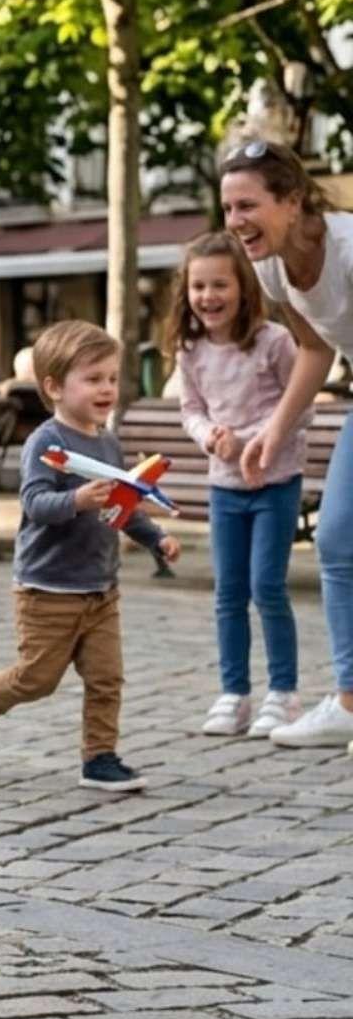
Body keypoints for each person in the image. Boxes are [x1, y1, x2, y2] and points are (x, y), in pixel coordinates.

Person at [0, 320, 180, 791]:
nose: (107, 388)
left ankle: (99, 757)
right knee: (37, 679)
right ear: (54, 387)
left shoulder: (108, 442)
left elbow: (123, 505)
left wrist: (156, 539)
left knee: (107, 678)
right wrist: (77, 500)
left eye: (111, 378)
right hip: (48, 587)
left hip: (101, 588)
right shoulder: (46, 441)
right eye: (93, 379)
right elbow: (35, 504)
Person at [220, 138, 353, 749]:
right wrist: (273, 431)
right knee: (336, 538)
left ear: (293, 201)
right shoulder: (269, 264)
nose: (235, 221)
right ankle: (349, 702)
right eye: (228, 208)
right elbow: (315, 348)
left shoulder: (347, 249)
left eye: (247, 205)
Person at [171, 232, 307, 741]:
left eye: (219, 285)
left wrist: (249, 440)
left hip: (275, 483)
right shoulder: (190, 351)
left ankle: (284, 693)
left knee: (266, 586)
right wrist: (211, 436)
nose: (208, 296)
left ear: (244, 287)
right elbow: (191, 411)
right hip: (224, 488)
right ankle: (235, 693)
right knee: (228, 593)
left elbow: (301, 408)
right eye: (198, 286)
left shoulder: (274, 342)